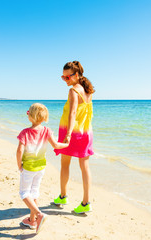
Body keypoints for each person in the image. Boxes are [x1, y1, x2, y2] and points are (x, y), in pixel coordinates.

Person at [17, 103, 69, 233]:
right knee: (34, 192)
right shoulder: (46, 131)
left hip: (29, 167)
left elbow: (19, 151)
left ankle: (39, 215)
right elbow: (56, 145)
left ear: (31, 116)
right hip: (41, 167)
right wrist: (67, 144)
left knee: (24, 193)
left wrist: (19, 164)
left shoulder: (25, 133)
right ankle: (32, 220)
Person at [54, 61, 95, 214]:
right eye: (63, 77)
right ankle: (86, 203)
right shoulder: (88, 91)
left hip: (71, 132)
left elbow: (72, 113)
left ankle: (63, 196)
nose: (65, 80)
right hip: (86, 133)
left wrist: (68, 134)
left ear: (76, 75)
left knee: (65, 164)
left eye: (67, 77)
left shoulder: (73, 91)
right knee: (85, 168)